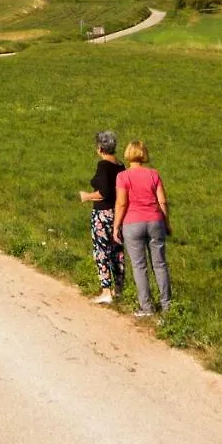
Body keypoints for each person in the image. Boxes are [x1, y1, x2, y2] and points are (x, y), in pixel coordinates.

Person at [113, 140, 172, 317]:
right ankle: (167, 305)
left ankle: (146, 307)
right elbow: (162, 200)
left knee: (139, 267)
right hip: (155, 221)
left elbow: (122, 203)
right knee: (160, 265)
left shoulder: (123, 176)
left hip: (133, 223)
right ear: (144, 154)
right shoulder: (154, 174)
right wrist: (166, 223)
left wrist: (116, 226)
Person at [77, 131, 125, 304]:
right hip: (117, 213)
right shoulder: (120, 165)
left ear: (100, 148)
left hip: (102, 214)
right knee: (117, 250)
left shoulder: (103, 165)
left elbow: (104, 192)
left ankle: (106, 291)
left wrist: (87, 196)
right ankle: (118, 289)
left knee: (101, 251)